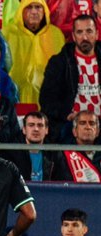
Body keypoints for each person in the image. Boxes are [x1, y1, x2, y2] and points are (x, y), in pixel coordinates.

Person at [40, 15, 101, 144]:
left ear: (96, 34)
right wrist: (67, 115)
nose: (84, 37)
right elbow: (46, 100)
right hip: (70, 124)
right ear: (73, 36)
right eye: (80, 32)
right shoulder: (59, 62)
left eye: (89, 31)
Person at [2, 0, 64, 105]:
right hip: (15, 97)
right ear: (21, 10)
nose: (34, 12)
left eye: (38, 7)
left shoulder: (56, 34)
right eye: (29, 7)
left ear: (44, 11)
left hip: (49, 100)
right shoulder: (7, 33)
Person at [50, 110, 101, 182]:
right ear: (74, 131)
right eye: (82, 123)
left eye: (92, 123)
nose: (88, 127)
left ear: (97, 132)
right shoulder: (62, 156)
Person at [21, 111, 53, 181]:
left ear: (47, 130)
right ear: (24, 129)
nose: (36, 129)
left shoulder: (55, 154)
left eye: (40, 125)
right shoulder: (13, 154)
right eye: (31, 125)